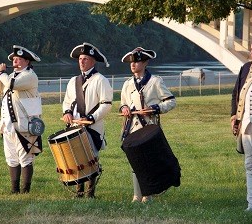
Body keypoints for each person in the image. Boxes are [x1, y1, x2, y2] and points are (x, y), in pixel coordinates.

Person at [119, 47, 176, 203]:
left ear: (145, 63)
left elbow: (171, 101)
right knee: (134, 160)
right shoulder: (127, 84)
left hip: (148, 127)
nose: (133, 64)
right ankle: (136, 195)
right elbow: (123, 103)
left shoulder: (155, 81)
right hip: (131, 127)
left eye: (137, 61)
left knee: (148, 162)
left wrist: (156, 108)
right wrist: (124, 108)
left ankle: (148, 195)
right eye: (132, 61)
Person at [62, 42, 113, 198]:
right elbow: (67, 101)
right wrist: (67, 112)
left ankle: (90, 192)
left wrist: (92, 117)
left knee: (91, 158)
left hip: (92, 126)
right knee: (77, 157)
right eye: (80, 59)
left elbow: (106, 104)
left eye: (85, 59)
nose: (81, 61)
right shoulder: (73, 81)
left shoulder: (101, 80)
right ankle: (79, 191)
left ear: (93, 61)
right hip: (75, 125)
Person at [0, 45, 43, 194]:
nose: (15, 62)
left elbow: (11, 85)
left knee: (25, 158)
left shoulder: (30, 76)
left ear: (27, 62)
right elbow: (1, 89)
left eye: (19, 59)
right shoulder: (12, 76)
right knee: (12, 158)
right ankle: (14, 190)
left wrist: (2, 73)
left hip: (24, 124)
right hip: (8, 125)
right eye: (14, 59)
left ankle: (25, 190)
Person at [231, 36, 252, 212]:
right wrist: (234, 117)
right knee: (251, 165)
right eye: (251, 48)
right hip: (248, 124)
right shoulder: (245, 68)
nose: (251, 52)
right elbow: (236, 93)